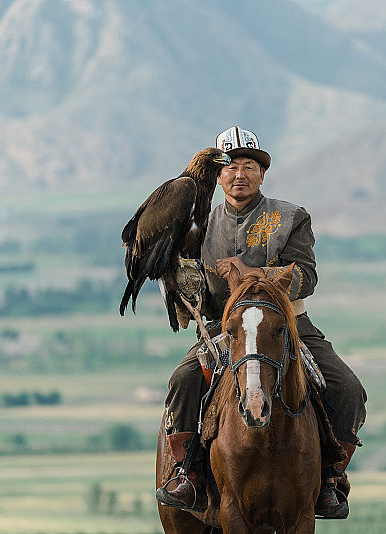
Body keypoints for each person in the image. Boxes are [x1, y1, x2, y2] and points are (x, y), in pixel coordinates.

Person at [156, 126, 367, 519]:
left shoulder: (291, 217)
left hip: (288, 325)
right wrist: (183, 286)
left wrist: (250, 272)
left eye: (248, 166)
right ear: (217, 177)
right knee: (183, 380)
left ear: (262, 173)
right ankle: (187, 474)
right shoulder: (197, 224)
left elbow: (306, 274)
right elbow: (190, 280)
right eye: (230, 167)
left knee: (348, 388)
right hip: (225, 328)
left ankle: (331, 479)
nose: (239, 174)